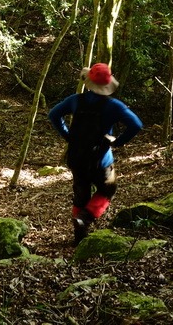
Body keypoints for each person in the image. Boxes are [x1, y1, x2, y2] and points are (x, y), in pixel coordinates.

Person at [48, 62, 143, 243]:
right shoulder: (114, 106)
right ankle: (85, 218)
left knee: (81, 194)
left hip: (76, 157)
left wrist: (67, 135)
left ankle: (79, 238)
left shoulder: (75, 100)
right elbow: (136, 124)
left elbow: (53, 114)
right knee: (108, 188)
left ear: (89, 83)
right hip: (100, 159)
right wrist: (118, 142)